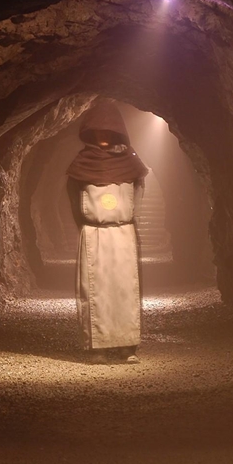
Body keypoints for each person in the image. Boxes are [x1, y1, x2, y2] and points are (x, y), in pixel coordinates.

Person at [65, 101, 149, 364]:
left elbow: (138, 193)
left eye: (108, 131)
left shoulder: (130, 162)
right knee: (96, 291)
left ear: (117, 132)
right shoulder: (82, 163)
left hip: (123, 233)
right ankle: (97, 346)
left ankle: (127, 345)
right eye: (98, 131)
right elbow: (73, 198)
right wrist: (87, 224)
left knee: (125, 290)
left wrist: (129, 220)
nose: (103, 137)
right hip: (95, 234)